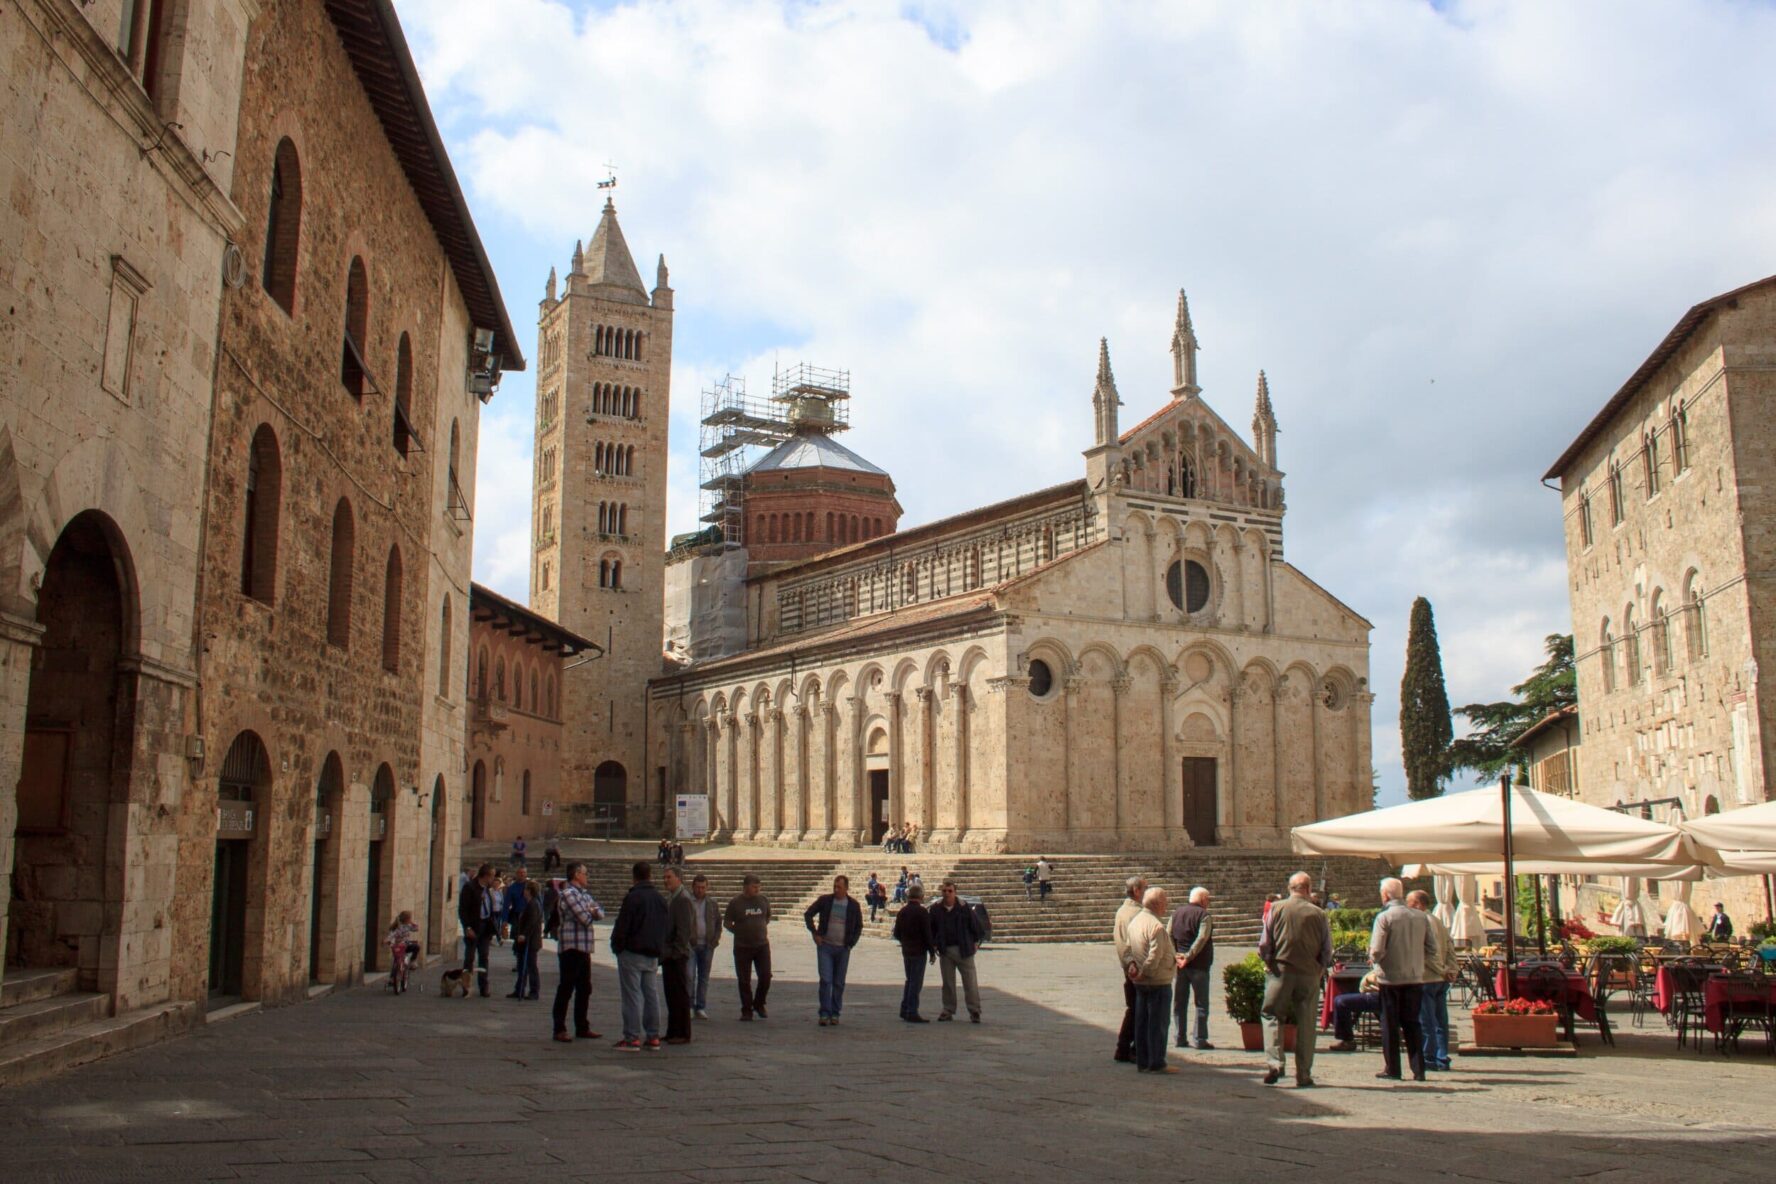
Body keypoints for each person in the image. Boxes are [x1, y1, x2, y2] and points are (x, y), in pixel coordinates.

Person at [1257, 871, 1331, 1088]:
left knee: (1271, 1014)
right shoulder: (1319, 914)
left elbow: (1264, 942)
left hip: (1281, 970)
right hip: (1309, 973)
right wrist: (1320, 968)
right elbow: (1327, 948)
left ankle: (1275, 1063)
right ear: (1308, 889)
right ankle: (1304, 1074)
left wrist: (1268, 960)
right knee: (1307, 1022)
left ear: (1290, 888)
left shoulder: (1276, 908)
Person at [1370, 876, 1437, 1082]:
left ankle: (1393, 1068)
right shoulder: (1420, 917)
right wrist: (1416, 960)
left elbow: (1377, 951)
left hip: (1390, 979)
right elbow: (1432, 948)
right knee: (1413, 1024)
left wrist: (1375, 959)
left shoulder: (1384, 917)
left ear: (1385, 895)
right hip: (1415, 977)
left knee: (1390, 1025)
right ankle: (1419, 1069)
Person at [610, 861, 669, 1051]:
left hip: (632, 951)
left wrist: (617, 946)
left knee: (632, 995)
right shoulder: (660, 899)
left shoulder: (633, 897)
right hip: (652, 953)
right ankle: (653, 1036)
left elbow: (623, 925)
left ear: (634, 877)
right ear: (650, 875)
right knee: (651, 995)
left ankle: (632, 1037)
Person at [1124, 886, 1178, 1073]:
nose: (1166, 905)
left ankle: (1143, 1061)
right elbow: (1154, 956)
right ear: (1158, 904)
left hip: (1141, 981)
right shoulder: (1156, 926)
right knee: (1158, 1023)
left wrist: (1132, 965)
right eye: (1165, 902)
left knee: (1142, 1022)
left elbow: (1128, 949)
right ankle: (1156, 1062)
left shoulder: (1135, 922)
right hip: (1157, 981)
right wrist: (1145, 972)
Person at [551, 861, 605, 1043]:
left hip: (584, 947)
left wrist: (591, 911)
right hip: (571, 947)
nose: (587, 876)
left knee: (585, 988)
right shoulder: (568, 894)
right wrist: (591, 911)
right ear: (576, 874)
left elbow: (601, 913)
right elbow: (585, 918)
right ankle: (559, 1028)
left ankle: (582, 1026)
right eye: (585, 873)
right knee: (566, 987)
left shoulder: (584, 894)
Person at [804, 874, 863, 1025]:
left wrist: (851, 943)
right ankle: (824, 1013)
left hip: (843, 948)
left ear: (846, 888)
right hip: (825, 946)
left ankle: (835, 1013)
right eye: (835, 887)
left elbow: (859, 926)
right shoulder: (825, 900)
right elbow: (808, 914)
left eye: (839, 887)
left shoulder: (853, 905)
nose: (836, 890)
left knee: (839, 982)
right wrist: (815, 933)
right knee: (825, 980)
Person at [1409, 889, 1457, 1072]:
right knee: (1440, 1021)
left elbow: (1430, 953)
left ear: (1418, 904)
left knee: (1427, 1021)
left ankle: (1429, 1057)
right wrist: (1452, 969)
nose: (1407, 906)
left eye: (1409, 903)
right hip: (1440, 979)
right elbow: (1450, 946)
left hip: (1428, 977)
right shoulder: (1437, 920)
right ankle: (1442, 1057)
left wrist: (1443, 970)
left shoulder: (1422, 922)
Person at [929, 880, 985, 1023]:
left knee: (970, 982)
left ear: (955, 892)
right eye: (944, 891)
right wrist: (934, 945)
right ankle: (948, 1010)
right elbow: (931, 928)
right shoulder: (936, 909)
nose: (947, 893)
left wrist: (976, 943)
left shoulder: (964, 907)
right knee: (948, 983)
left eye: (950, 891)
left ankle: (974, 1011)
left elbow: (976, 926)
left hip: (964, 950)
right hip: (945, 950)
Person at [1169, 885, 1216, 1050]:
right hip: (1199, 965)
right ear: (1202, 899)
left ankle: (1179, 1037)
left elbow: (1168, 934)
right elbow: (1202, 938)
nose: (1208, 902)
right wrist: (1188, 956)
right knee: (1201, 1003)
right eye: (1207, 899)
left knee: (1179, 1002)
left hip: (1180, 965)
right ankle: (1199, 1038)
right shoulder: (1204, 915)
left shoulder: (1176, 913)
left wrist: (1177, 955)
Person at [724, 873, 773, 1020]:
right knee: (744, 980)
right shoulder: (735, 903)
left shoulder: (763, 900)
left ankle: (759, 1003)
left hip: (762, 945)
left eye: (759, 887)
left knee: (765, 976)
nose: (757, 890)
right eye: (754, 887)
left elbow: (767, 917)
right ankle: (746, 1009)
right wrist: (739, 931)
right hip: (742, 946)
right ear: (745, 887)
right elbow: (727, 922)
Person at [1112, 875, 1149, 1063]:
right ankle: (1129, 1048)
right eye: (1145, 888)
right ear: (1136, 891)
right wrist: (1131, 964)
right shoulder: (1133, 914)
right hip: (1136, 968)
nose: (1147, 892)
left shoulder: (1124, 911)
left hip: (1131, 966)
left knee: (1135, 1008)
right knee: (1138, 1009)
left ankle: (1124, 1047)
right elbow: (1128, 943)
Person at [892, 883, 937, 1021]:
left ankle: (905, 1008)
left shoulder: (903, 911)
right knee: (916, 982)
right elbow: (927, 934)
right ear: (921, 897)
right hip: (919, 951)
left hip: (907, 950)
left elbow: (896, 933)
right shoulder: (922, 912)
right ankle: (911, 1011)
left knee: (909, 980)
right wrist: (932, 952)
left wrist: (905, 941)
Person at [661, 866, 695, 1044]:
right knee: (671, 995)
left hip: (677, 955)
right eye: (665, 877)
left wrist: (676, 952)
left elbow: (684, 930)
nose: (666, 880)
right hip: (669, 954)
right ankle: (672, 1030)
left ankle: (682, 1032)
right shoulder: (673, 897)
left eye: (669, 877)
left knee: (679, 995)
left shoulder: (683, 899)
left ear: (678, 878)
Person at [457, 863, 496, 997]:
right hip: (474, 926)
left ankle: (484, 986)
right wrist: (467, 927)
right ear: (486, 876)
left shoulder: (488, 889)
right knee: (470, 957)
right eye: (492, 876)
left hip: (485, 927)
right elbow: (463, 909)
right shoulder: (470, 888)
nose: (493, 879)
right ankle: (466, 985)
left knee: (484, 956)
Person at [1324, 968, 1382, 1050]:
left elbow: (1379, 979)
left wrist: (1368, 979)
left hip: (1381, 997)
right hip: (1380, 995)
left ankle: (1347, 1041)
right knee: (1339, 1000)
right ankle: (1346, 1038)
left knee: (1341, 1002)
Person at [689, 872, 721, 1020]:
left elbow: (718, 923)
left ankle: (700, 1007)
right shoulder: (687, 902)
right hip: (691, 944)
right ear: (693, 887)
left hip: (707, 945)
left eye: (703, 887)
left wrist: (715, 940)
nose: (700, 890)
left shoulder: (712, 904)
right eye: (698, 887)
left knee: (704, 978)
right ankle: (689, 1006)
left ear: (707, 887)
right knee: (689, 976)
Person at [510, 880, 543, 1000]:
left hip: (530, 940)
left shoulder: (533, 904)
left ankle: (534, 991)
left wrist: (524, 934)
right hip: (526, 940)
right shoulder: (530, 903)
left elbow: (532, 922)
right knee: (522, 965)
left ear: (529, 891)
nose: (523, 891)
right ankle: (519, 988)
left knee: (531, 966)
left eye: (525, 889)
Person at [503, 867, 530, 977]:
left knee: (529, 940)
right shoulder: (512, 888)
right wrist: (504, 920)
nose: (522, 874)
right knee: (517, 940)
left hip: (529, 915)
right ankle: (519, 962)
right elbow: (506, 904)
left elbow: (538, 901)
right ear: (516, 874)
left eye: (524, 873)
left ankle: (527, 963)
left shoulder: (530, 886)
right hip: (517, 916)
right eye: (520, 873)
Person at [385, 911, 419, 993]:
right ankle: (393, 977)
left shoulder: (407, 926)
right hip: (400, 946)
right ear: (407, 919)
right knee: (396, 961)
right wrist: (387, 940)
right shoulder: (399, 927)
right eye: (410, 918)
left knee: (416, 947)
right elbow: (392, 935)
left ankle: (412, 961)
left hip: (403, 946)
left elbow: (416, 929)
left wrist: (412, 923)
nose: (410, 920)